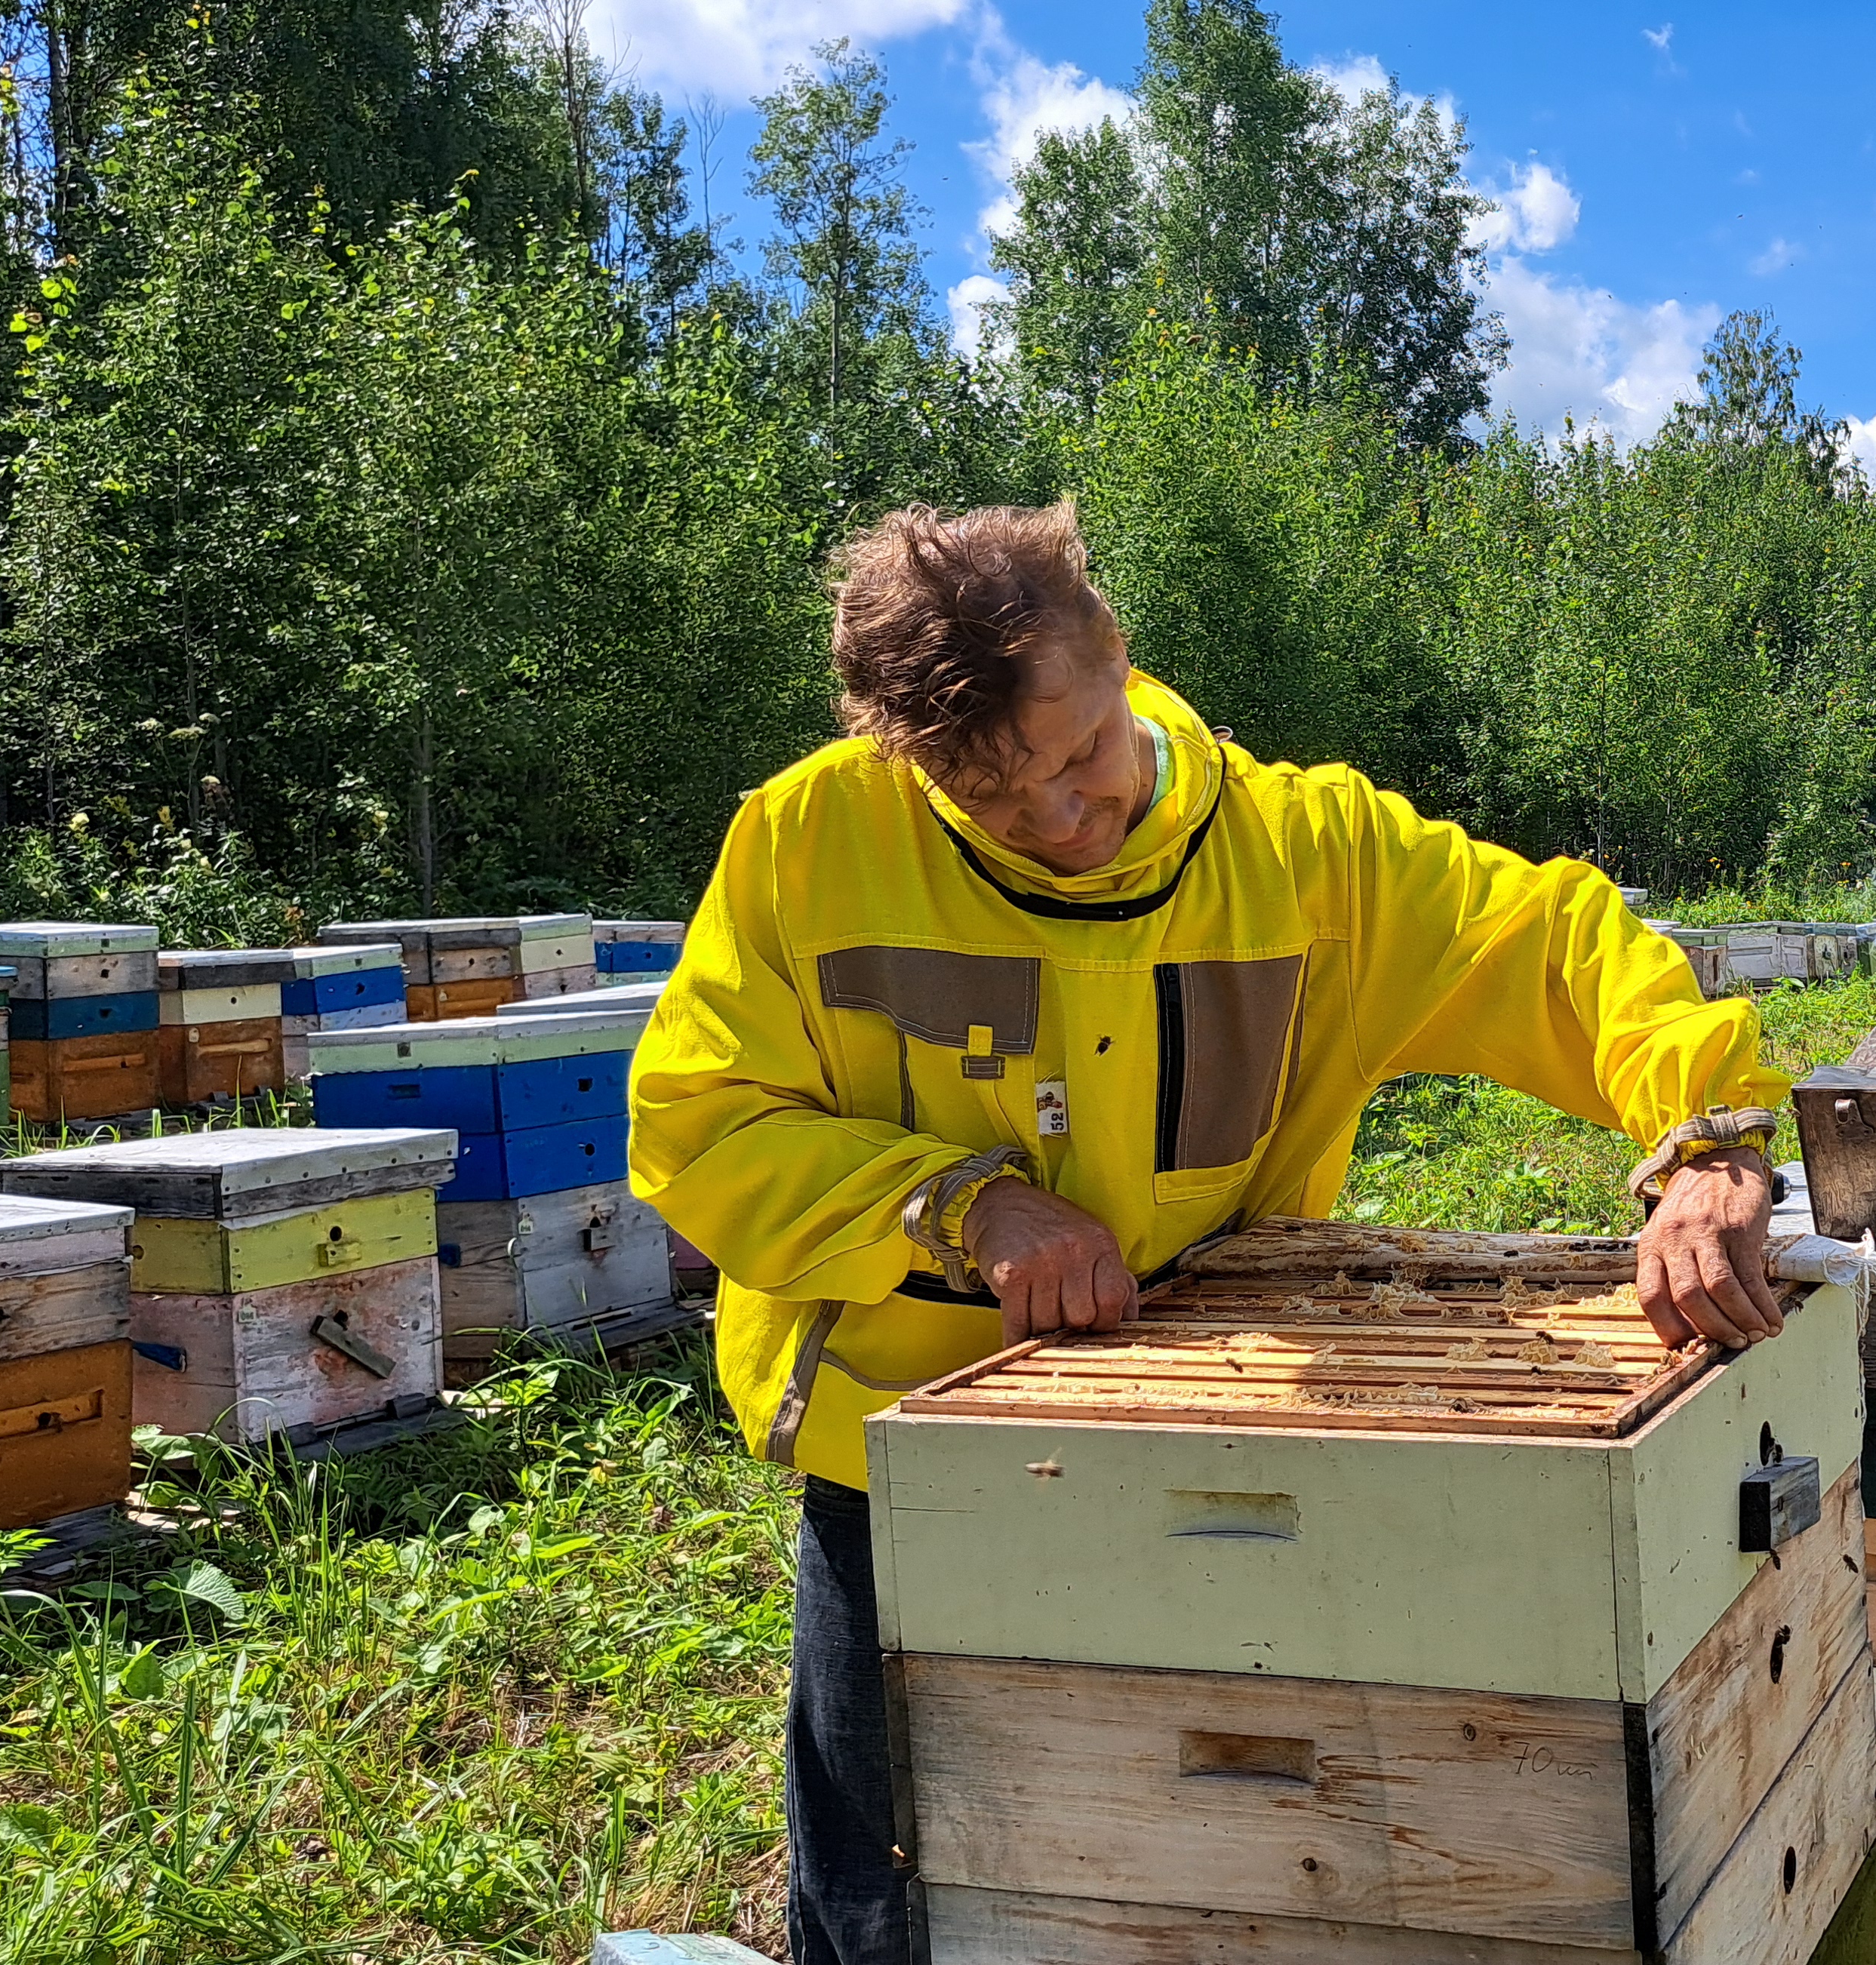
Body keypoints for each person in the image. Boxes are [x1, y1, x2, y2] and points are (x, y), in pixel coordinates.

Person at [626, 500, 1794, 1965]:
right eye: (999, 799)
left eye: (1079, 757)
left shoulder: (1301, 853)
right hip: (903, 1441)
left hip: (1208, 1431)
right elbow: (699, 1122)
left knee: (1209, 1873)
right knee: (892, 1895)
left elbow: (1558, 943)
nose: (1061, 816)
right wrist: (960, 1206)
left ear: (1116, 657)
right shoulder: (810, 841)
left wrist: (1708, 1133)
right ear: (908, 763)